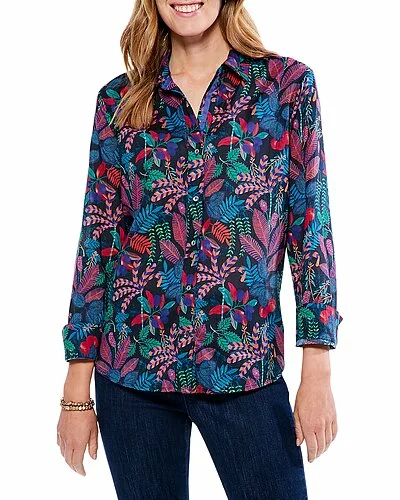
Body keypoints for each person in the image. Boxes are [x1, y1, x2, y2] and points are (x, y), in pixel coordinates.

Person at [57, 1, 344, 498]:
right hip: (132, 372)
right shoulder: (119, 101)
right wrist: (74, 392)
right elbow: (98, 239)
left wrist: (317, 369)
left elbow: (310, 228)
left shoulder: (285, 87)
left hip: (244, 368)